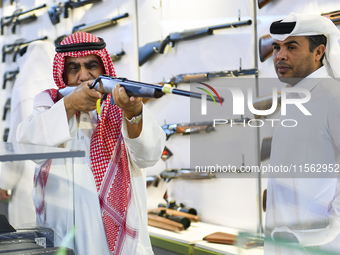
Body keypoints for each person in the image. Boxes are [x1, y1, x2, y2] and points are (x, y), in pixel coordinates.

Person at [16, 32, 165, 255]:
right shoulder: (50, 103)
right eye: (74, 67)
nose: (84, 75)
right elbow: (29, 146)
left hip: (120, 242)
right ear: (63, 73)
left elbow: (148, 157)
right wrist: (68, 106)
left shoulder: (123, 104)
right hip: (65, 236)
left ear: (104, 68)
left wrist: (133, 113)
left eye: (91, 65)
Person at [265, 12, 340, 254]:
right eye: (277, 47)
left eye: (292, 46)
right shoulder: (297, 96)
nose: (280, 55)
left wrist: (324, 233)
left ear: (319, 52)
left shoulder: (332, 97)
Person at [0, 41, 56, 227]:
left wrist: (4, 182)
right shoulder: (58, 88)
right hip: (57, 181)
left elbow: (16, 142)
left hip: (28, 179)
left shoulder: (24, 88)